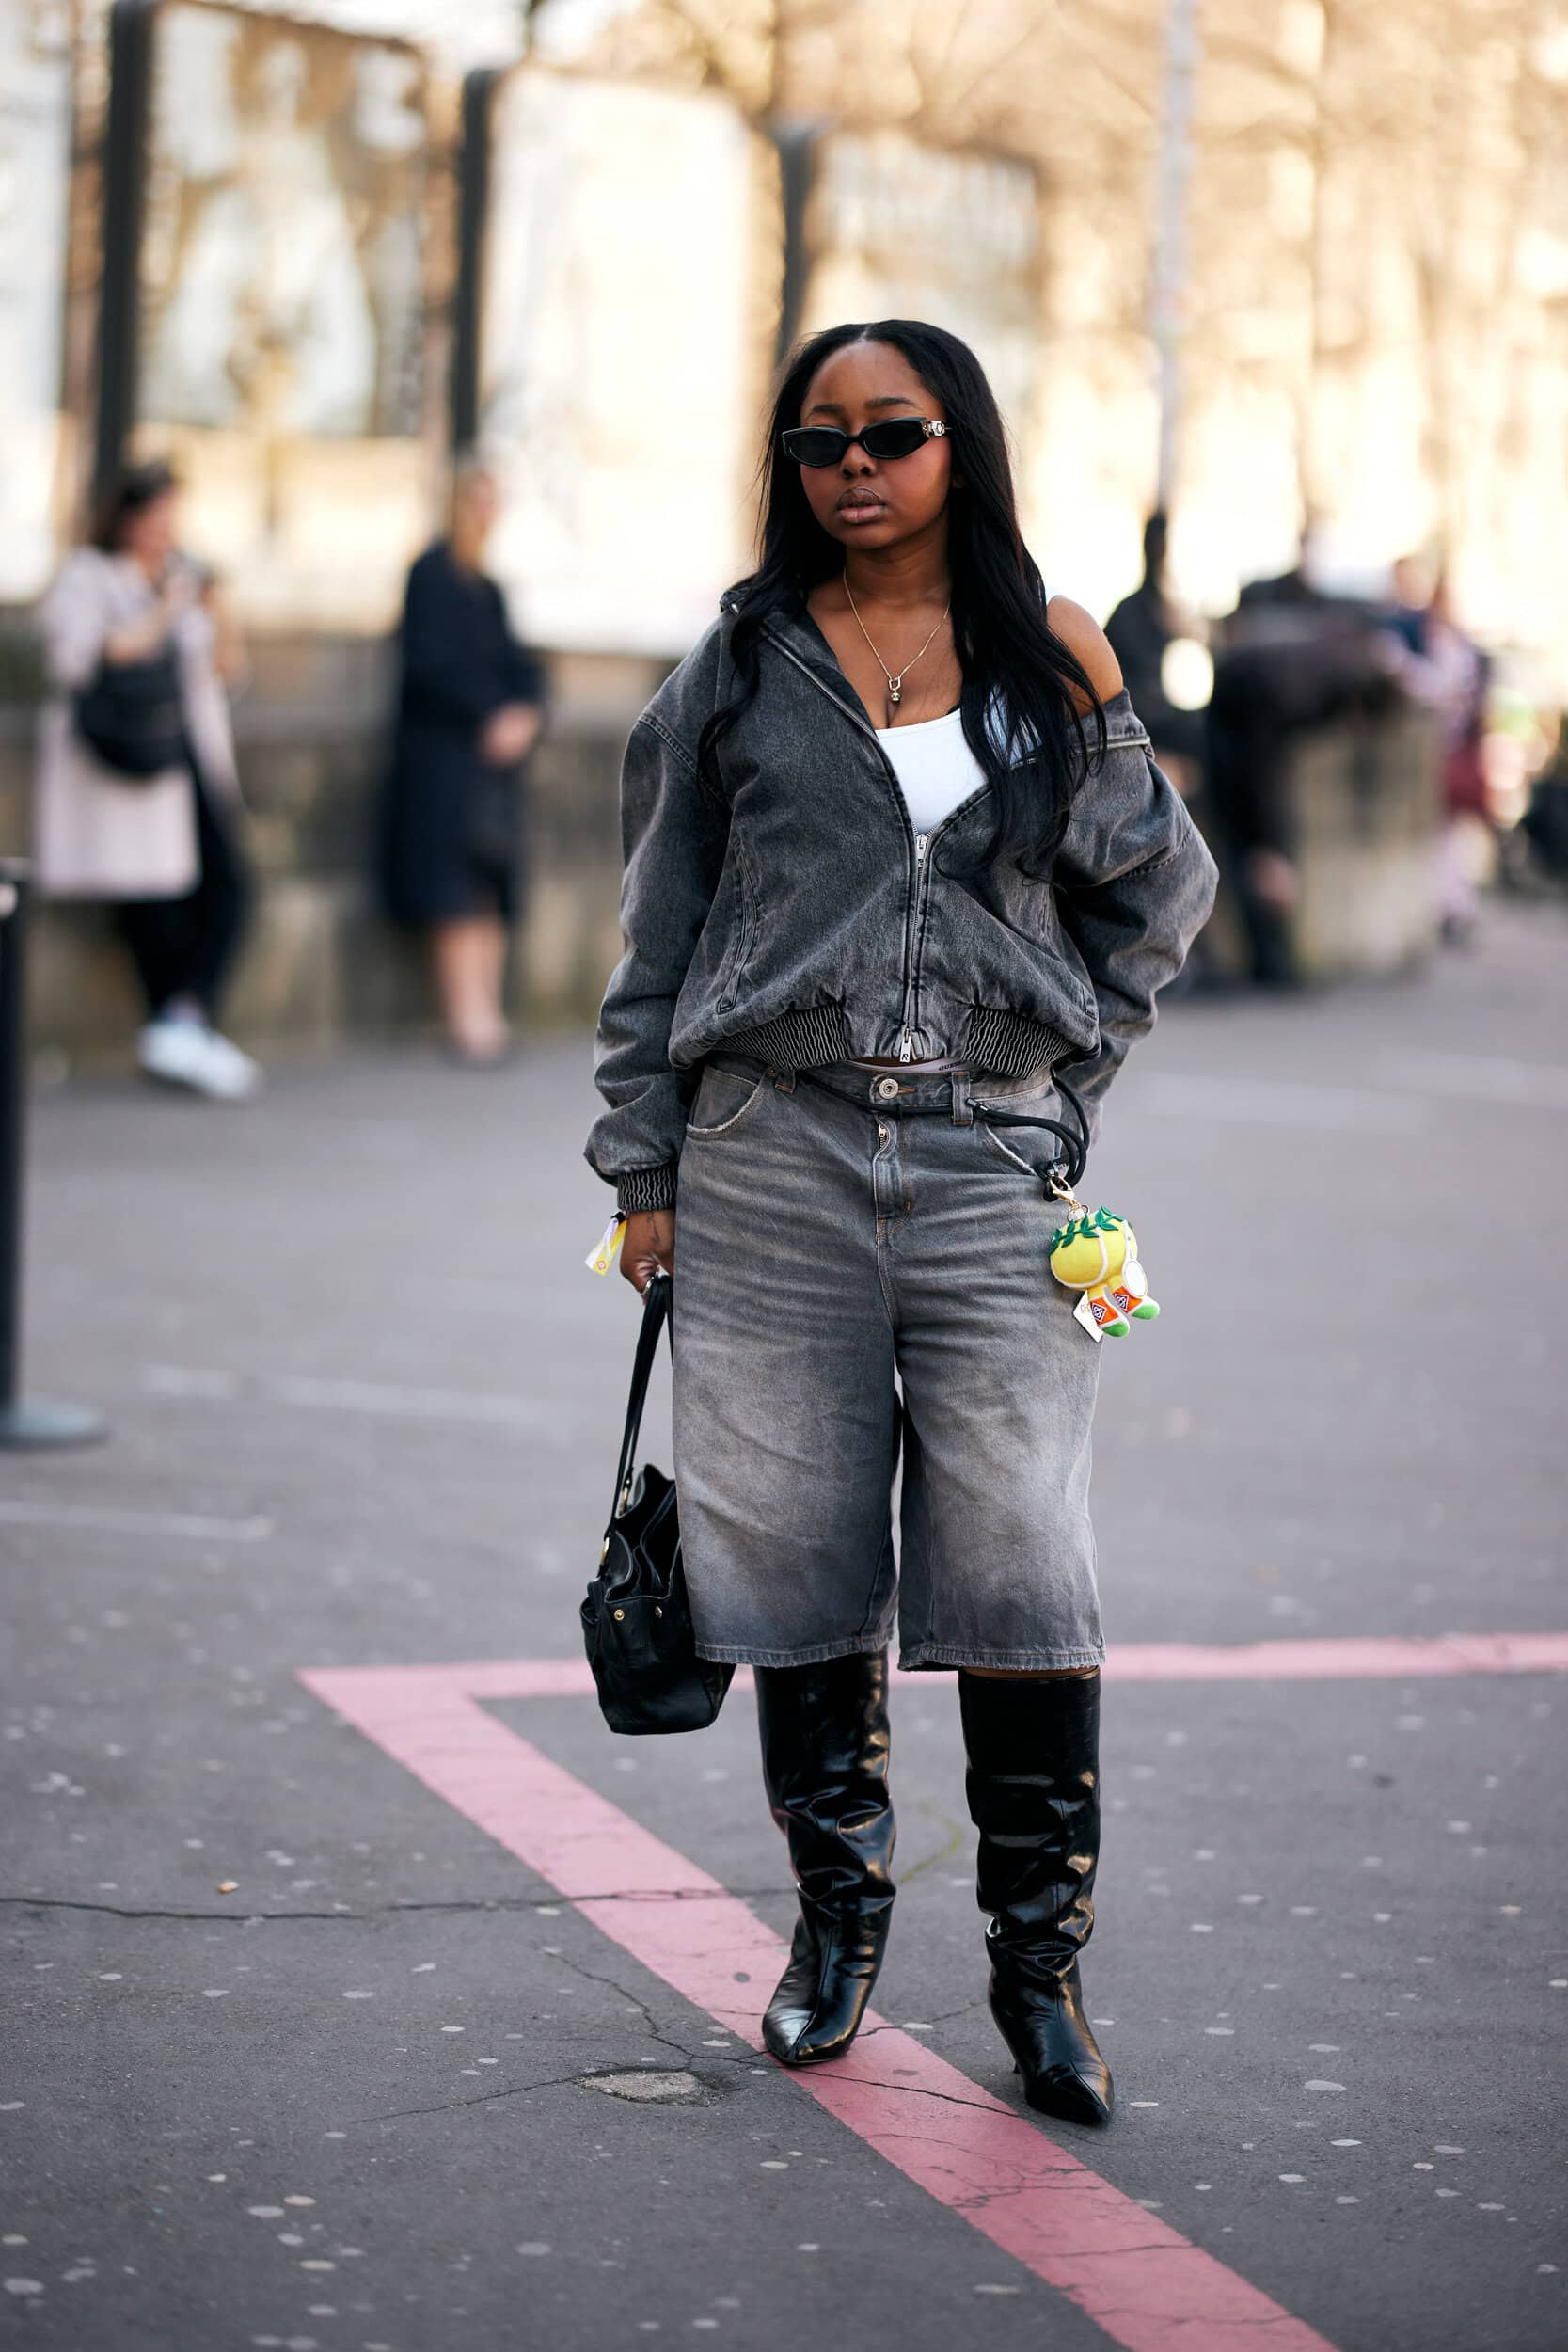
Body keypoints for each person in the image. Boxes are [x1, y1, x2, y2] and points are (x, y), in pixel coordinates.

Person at [586, 320, 1217, 2126]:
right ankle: (835, 1931)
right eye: (818, 440)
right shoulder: (736, 665)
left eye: (893, 432)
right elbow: (658, 939)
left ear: (963, 445)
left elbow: (1156, 898)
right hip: (766, 1155)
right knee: (787, 1564)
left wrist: (1061, 1070)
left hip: (988, 1174)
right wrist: (644, 1174)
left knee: (1024, 1562)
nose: (853, 466)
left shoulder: (1048, 657)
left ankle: (1041, 1976)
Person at [35, 461, 259, 1097]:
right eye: (153, 518)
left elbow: (224, 672)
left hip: (185, 760)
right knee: (152, 904)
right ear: (126, 517)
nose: (163, 533)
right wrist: (163, 612)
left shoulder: (178, 579)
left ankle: (182, 1023)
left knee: (229, 888)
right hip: (123, 767)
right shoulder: (88, 577)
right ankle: (176, 1028)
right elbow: (82, 656)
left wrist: (221, 609)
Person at [380, 459, 546, 1062]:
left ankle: (488, 1013)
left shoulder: (489, 586)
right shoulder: (431, 574)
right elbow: (427, 668)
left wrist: (524, 713)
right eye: (476, 500)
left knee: (489, 885)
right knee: (453, 890)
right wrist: (489, 714)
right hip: (444, 763)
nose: (485, 514)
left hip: (490, 768)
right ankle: (466, 1018)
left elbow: (522, 667)